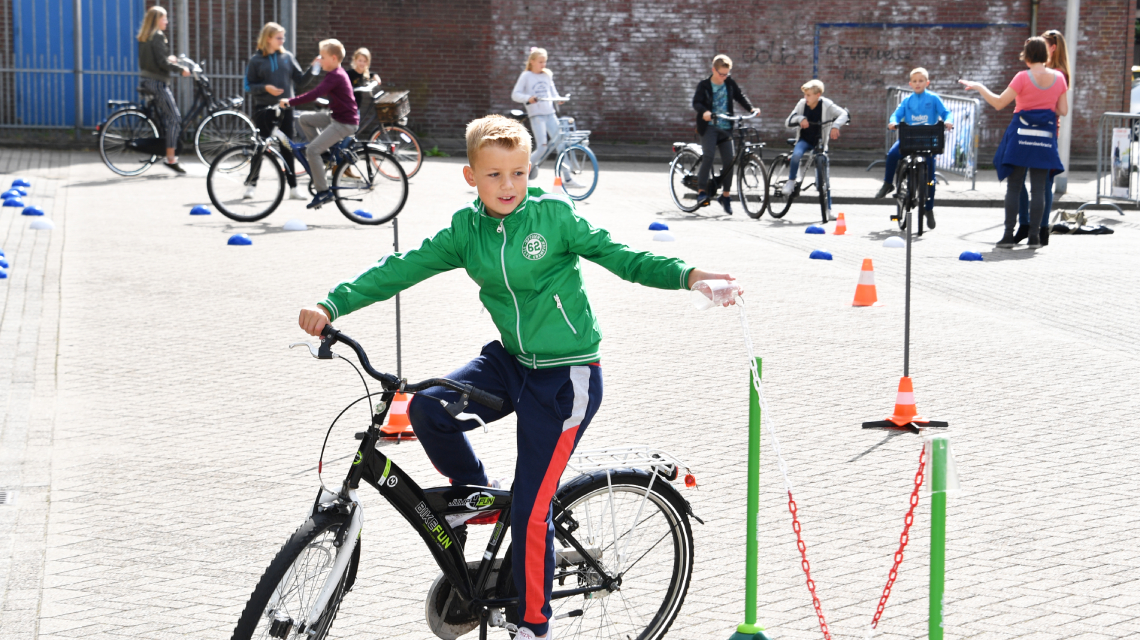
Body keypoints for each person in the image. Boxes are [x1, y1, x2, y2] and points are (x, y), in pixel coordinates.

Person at [296, 114, 737, 640]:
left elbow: (624, 259)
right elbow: (401, 267)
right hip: (509, 362)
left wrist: (689, 277)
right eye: (494, 175)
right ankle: (478, 498)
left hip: (566, 377)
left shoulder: (554, 218)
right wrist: (333, 302)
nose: (508, 186)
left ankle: (534, 625)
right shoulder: (466, 232)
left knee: (531, 510)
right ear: (471, 177)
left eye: (519, 173)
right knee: (426, 409)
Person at [961, 36, 1068, 248]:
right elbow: (1062, 110)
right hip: (1044, 138)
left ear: (1027, 56)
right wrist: (1044, 107)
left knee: (1014, 186)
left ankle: (1008, 236)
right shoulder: (1059, 78)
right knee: (1039, 189)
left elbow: (999, 103)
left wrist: (979, 87)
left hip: (1020, 135)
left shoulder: (1022, 77)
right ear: (1046, 55)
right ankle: (1035, 238)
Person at [280, 39, 359, 210]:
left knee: (311, 150)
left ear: (333, 58)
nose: (319, 60)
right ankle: (323, 155)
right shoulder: (334, 73)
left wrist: (290, 102)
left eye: (322, 57)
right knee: (304, 119)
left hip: (344, 123)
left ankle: (323, 191)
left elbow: (315, 93)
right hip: (336, 117)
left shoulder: (336, 75)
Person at [873, 68, 954, 230]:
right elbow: (896, 114)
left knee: (931, 179)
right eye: (915, 81)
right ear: (910, 84)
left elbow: (946, 113)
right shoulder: (907, 100)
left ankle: (929, 209)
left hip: (928, 141)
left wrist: (948, 121)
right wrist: (893, 122)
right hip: (908, 139)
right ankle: (888, 183)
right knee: (892, 154)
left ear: (927, 83)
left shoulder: (933, 98)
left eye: (921, 81)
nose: (918, 84)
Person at [1014, 29, 1072, 245]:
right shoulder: (1047, 71)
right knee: (1026, 180)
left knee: (1042, 183)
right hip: (1038, 130)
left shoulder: (1057, 74)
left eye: (1042, 45)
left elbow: (1059, 108)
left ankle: (1039, 227)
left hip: (1045, 131)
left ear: (1052, 48)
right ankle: (1029, 225)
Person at [245, 22, 307, 201]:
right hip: (264, 110)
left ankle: (293, 187)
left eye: (283, 37)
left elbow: (301, 80)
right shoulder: (256, 60)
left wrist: (315, 68)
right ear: (268, 38)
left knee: (287, 147)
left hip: (286, 109)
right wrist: (266, 88)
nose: (283, 40)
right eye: (279, 37)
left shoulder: (287, 57)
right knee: (260, 147)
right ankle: (251, 184)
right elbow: (248, 85)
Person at [691, 54, 760, 214]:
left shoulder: (729, 83)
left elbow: (740, 96)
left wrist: (751, 108)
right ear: (713, 70)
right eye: (721, 74)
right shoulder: (704, 85)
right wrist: (705, 111)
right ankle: (702, 192)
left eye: (726, 74)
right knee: (708, 156)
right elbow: (697, 102)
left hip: (726, 127)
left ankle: (726, 196)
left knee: (729, 161)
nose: (724, 77)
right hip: (709, 126)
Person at [781, 79, 848, 221]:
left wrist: (836, 126)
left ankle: (828, 210)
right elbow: (788, 121)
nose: (806, 98)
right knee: (796, 154)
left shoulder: (826, 104)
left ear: (818, 95)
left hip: (820, 143)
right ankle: (791, 181)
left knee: (824, 180)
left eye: (809, 95)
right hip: (804, 140)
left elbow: (843, 114)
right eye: (805, 95)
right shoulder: (801, 104)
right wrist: (800, 119)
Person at [136, 5, 190, 174]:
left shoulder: (145, 37)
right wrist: (180, 69)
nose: (166, 21)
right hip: (157, 82)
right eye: (164, 18)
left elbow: (154, 60)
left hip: (146, 79)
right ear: (156, 20)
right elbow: (161, 63)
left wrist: (169, 59)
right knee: (174, 118)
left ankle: (164, 147)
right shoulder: (157, 36)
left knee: (167, 117)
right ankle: (171, 158)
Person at [511, 47, 572, 183]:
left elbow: (553, 92)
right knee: (542, 147)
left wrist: (559, 99)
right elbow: (515, 94)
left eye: (545, 62)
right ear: (532, 61)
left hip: (550, 113)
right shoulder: (526, 76)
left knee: (561, 144)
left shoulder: (547, 75)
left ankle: (568, 178)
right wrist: (529, 98)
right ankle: (520, 174)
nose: (543, 65)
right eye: (540, 62)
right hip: (536, 114)